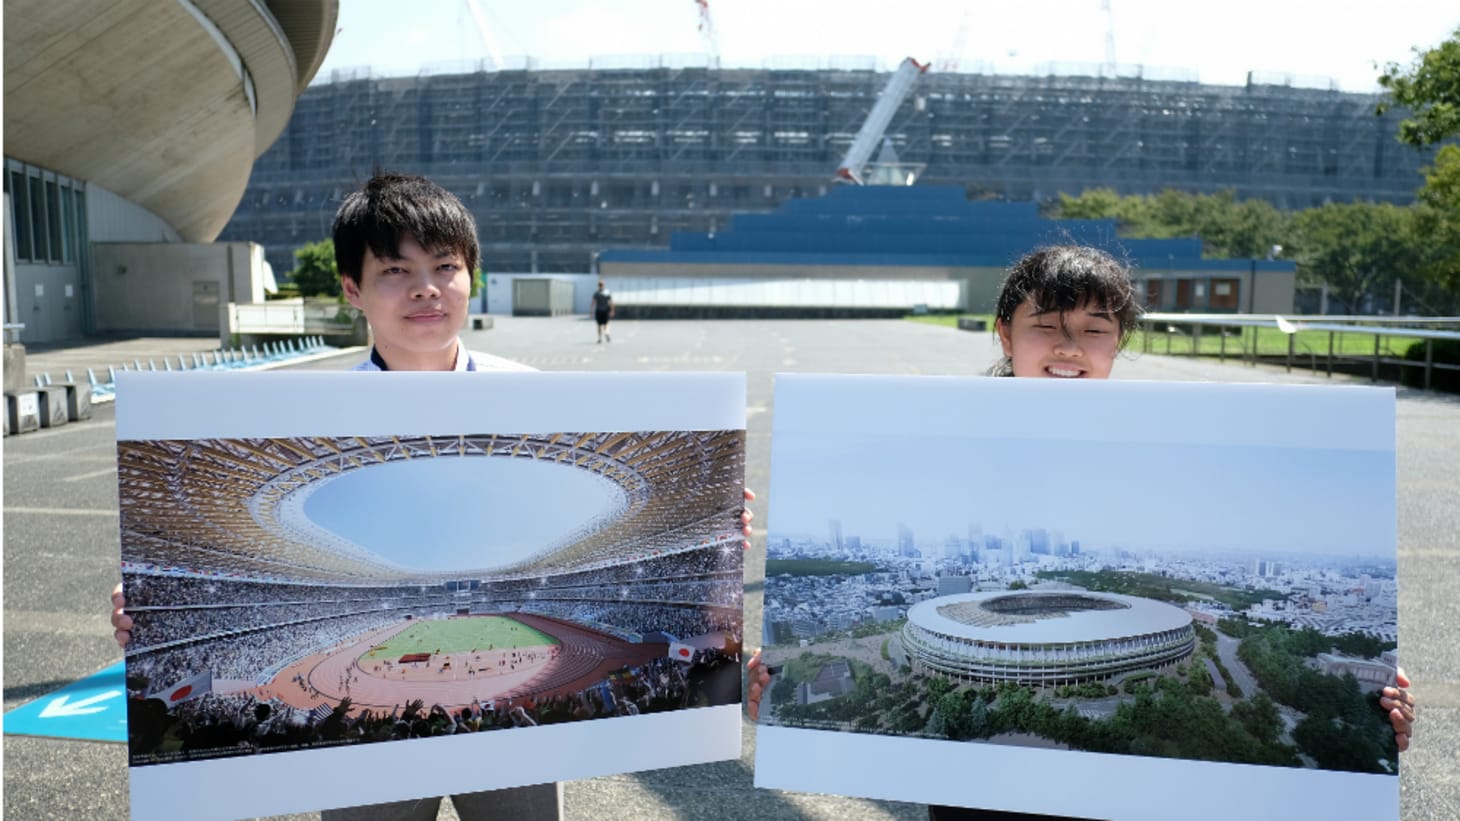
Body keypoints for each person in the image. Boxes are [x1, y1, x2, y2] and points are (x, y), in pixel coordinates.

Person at [110, 171, 753, 821]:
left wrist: (718, 528)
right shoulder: (305, 411)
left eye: (445, 266)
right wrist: (150, 602)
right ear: (352, 288)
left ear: (471, 277)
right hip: (363, 765)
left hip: (516, 745)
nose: (425, 287)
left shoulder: (538, 397)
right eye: (395, 270)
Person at [745, 244, 1417, 821]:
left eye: (1095, 329)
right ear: (1005, 334)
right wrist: (774, 688)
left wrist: (1370, 707)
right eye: (1047, 325)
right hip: (976, 800)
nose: (1069, 347)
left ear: (1118, 341)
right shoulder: (936, 438)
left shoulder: (1167, 451)